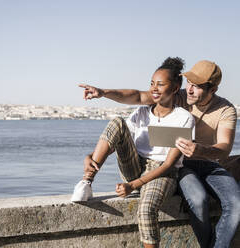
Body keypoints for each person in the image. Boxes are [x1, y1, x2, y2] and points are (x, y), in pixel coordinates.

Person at [78, 60, 240, 248]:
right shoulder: (176, 95)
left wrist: (201, 150)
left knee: (236, 203)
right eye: (189, 84)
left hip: (207, 163)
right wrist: (104, 93)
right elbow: (137, 96)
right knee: (198, 200)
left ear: (212, 90)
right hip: (183, 165)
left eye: (196, 87)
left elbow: (225, 147)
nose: (189, 90)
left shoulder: (226, 110)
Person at [71, 57, 195, 248]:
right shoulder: (142, 113)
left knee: (145, 210)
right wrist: (91, 156)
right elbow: (117, 139)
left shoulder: (184, 119)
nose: (154, 88)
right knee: (116, 122)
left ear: (175, 88)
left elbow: (169, 164)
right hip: (136, 166)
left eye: (161, 84)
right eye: (152, 83)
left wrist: (132, 185)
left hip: (162, 173)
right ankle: (86, 181)